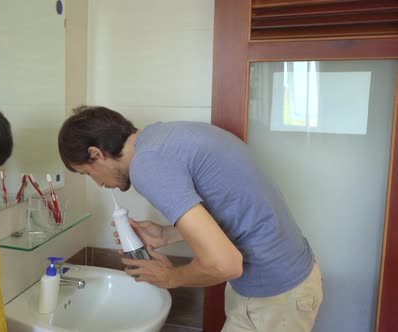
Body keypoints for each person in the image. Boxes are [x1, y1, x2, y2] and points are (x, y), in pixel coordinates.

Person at [57, 106, 323, 332]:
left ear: (96, 153)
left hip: (274, 294)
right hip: (285, 279)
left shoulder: (147, 165)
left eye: (88, 173)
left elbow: (226, 264)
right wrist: (165, 234)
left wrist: (170, 277)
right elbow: (233, 206)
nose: (99, 183)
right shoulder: (165, 137)